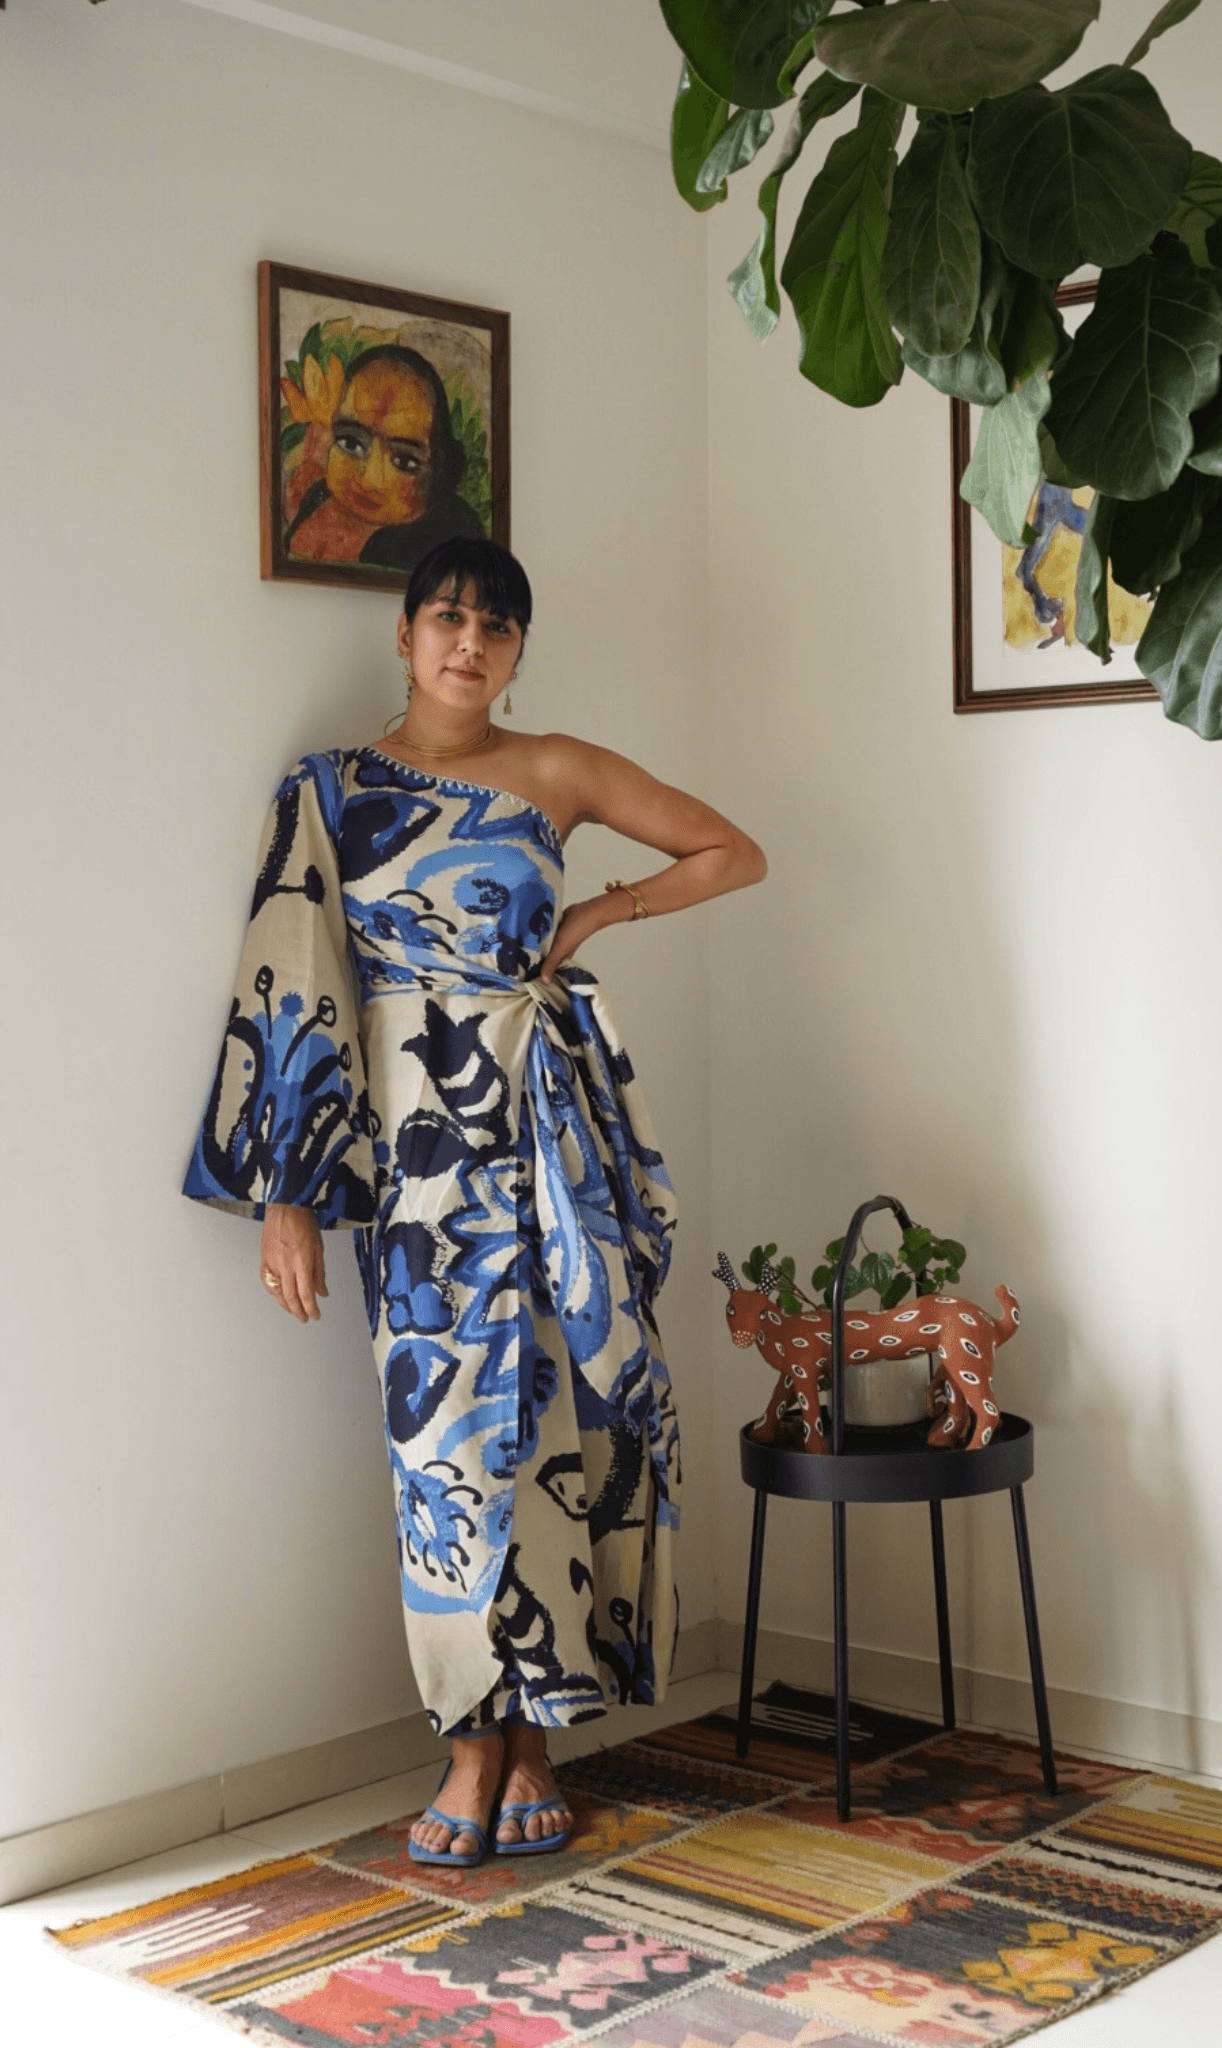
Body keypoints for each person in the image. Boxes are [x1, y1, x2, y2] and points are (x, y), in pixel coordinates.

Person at [184, 537, 766, 1865]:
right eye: (447, 617)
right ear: (403, 635)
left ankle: (541, 1732)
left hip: (553, 1140)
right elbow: (292, 979)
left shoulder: (558, 769)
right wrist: (286, 1195)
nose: (470, 642)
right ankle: (469, 1737)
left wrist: (598, 915)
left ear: (516, 651)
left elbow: (732, 852)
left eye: (496, 626)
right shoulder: (329, 789)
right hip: (417, 1162)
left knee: (561, 1412)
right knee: (442, 1439)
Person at [283, 344, 485, 570]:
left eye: (404, 462)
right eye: (351, 444)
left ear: (438, 471)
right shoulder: (317, 497)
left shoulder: (440, 540)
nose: (370, 479)